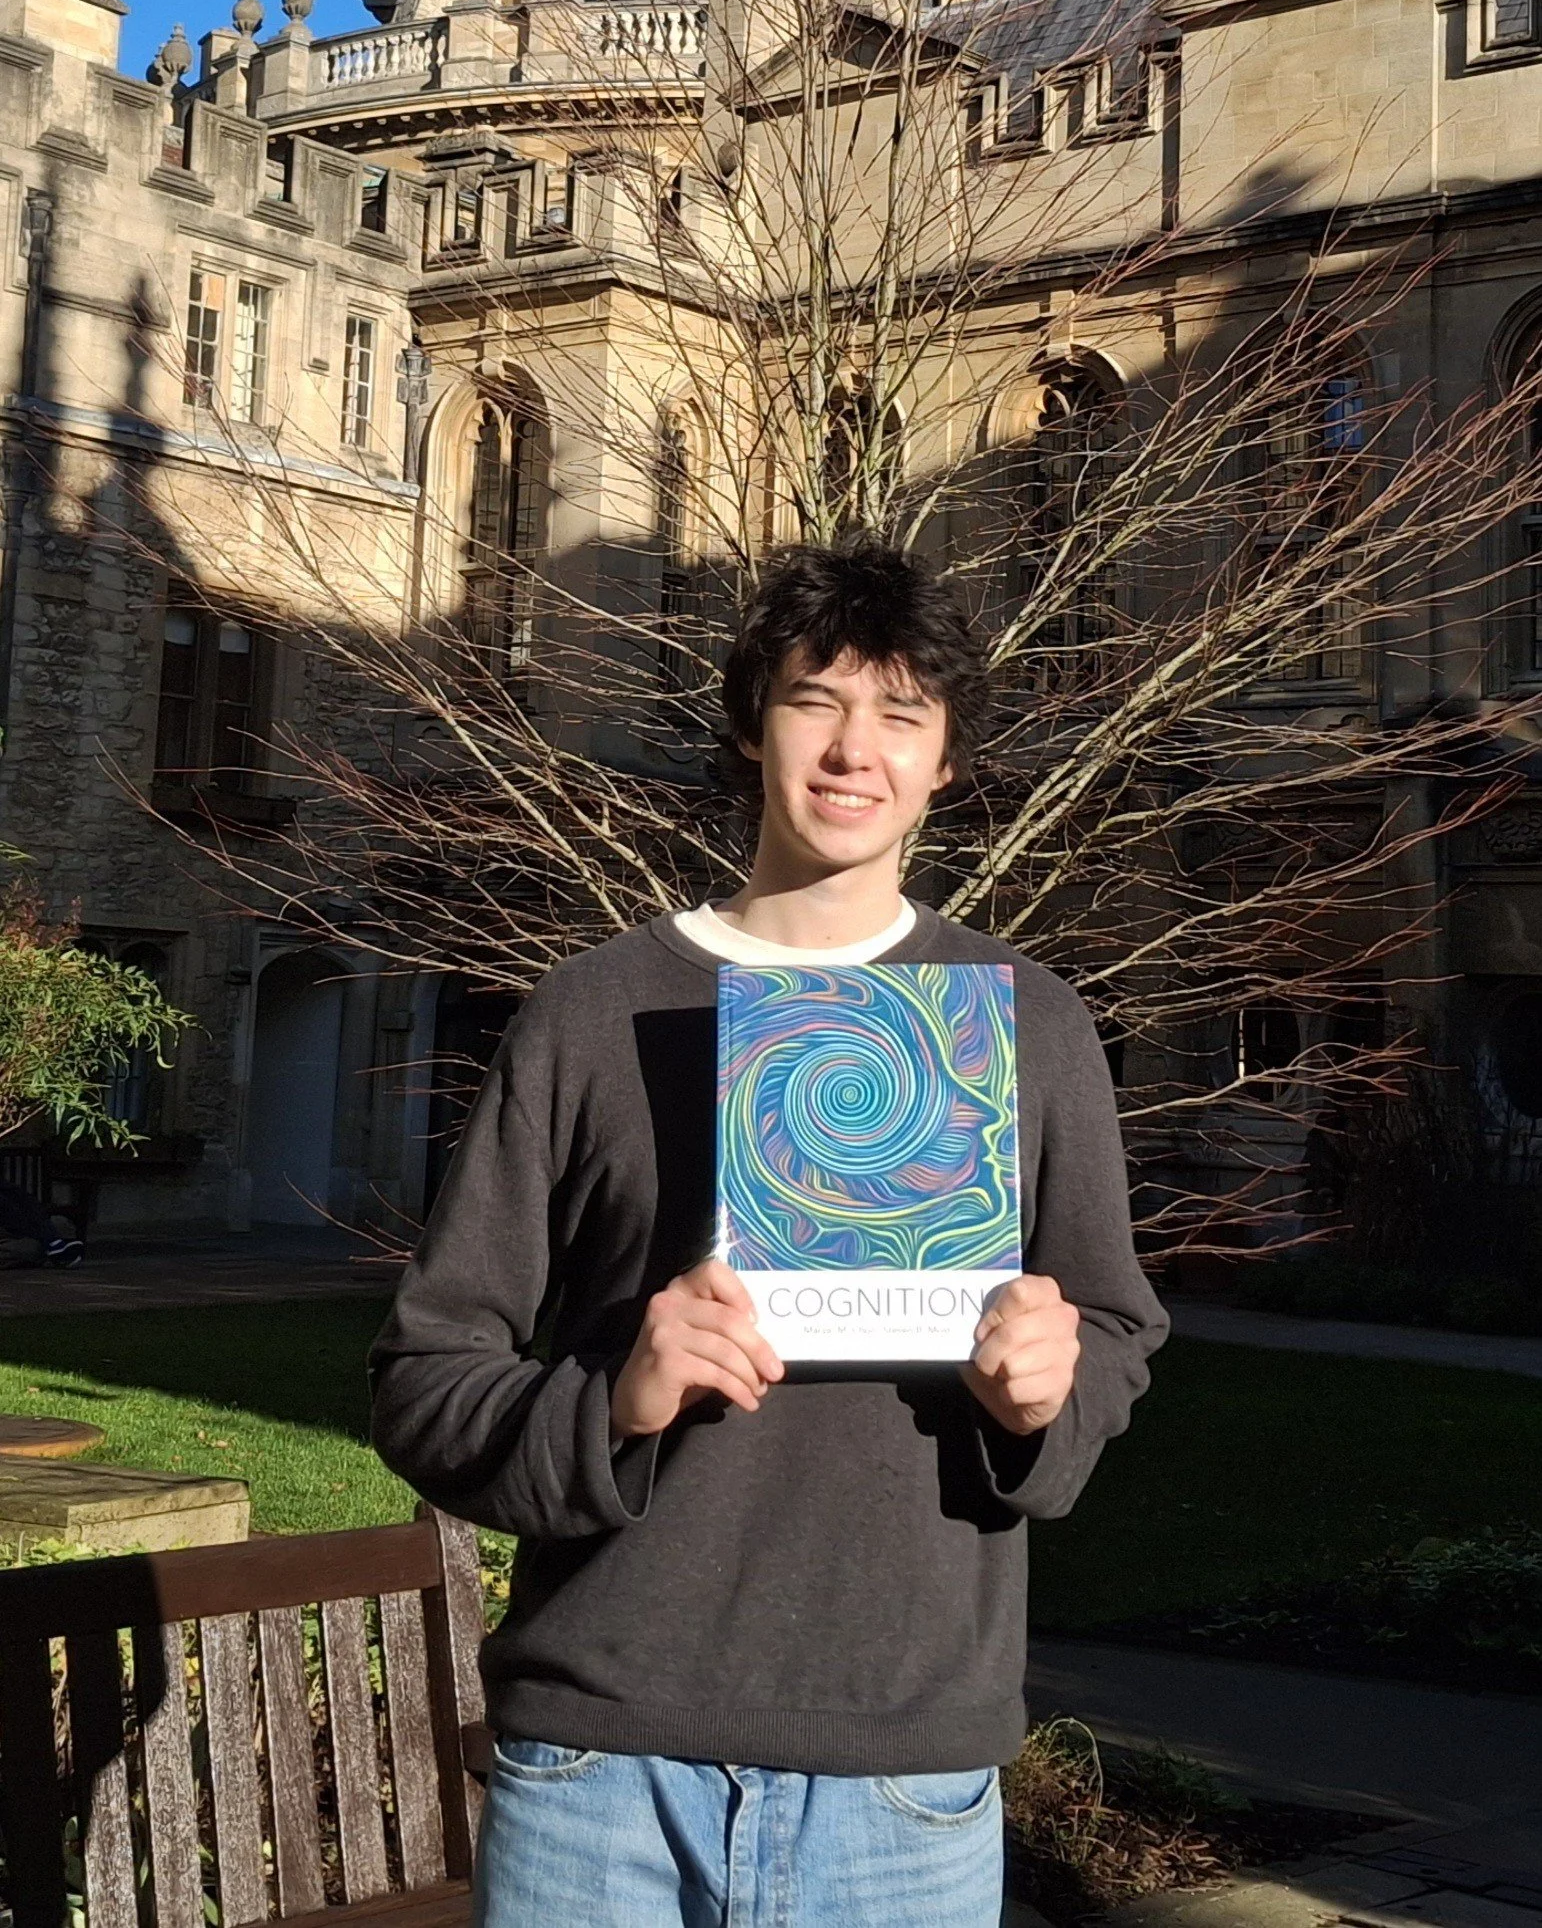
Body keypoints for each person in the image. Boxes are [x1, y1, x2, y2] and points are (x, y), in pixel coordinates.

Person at [370, 538, 1167, 1927]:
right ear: (751, 725)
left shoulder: (1026, 1022)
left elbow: (1113, 1334)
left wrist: (1052, 1391)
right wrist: (611, 1394)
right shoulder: (590, 1011)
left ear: (944, 760)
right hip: (599, 1766)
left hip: (902, 1780)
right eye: (817, 700)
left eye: (902, 713)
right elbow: (425, 1377)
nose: (856, 747)